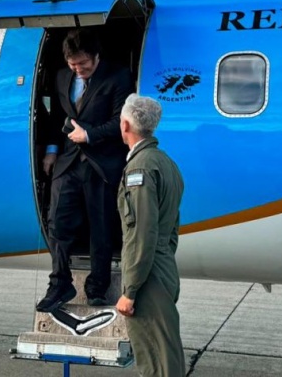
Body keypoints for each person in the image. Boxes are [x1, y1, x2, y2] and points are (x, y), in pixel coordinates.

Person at [37, 29, 135, 312]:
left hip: (101, 164)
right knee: (57, 222)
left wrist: (88, 135)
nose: (79, 70)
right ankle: (60, 283)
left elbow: (121, 121)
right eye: (73, 65)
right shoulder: (61, 77)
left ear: (96, 56)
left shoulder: (118, 77)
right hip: (67, 161)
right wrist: (51, 151)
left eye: (84, 64)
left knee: (100, 229)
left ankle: (97, 288)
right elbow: (58, 116)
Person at [115, 94, 185, 377]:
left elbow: (142, 231)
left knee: (155, 359)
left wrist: (130, 290)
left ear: (125, 125)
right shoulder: (166, 163)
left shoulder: (140, 167)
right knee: (165, 350)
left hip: (147, 275)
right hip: (162, 267)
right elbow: (172, 228)